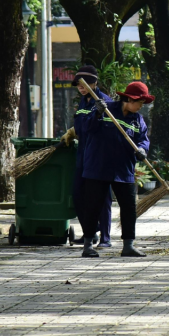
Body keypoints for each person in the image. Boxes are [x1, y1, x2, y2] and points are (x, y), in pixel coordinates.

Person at [79, 81, 153, 258]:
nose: (141, 106)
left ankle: (129, 245)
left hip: (123, 169)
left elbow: (143, 139)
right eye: (140, 102)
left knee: (129, 208)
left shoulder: (137, 119)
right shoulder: (105, 109)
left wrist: (142, 149)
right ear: (129, 99)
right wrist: (97, 113)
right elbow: (86, 128)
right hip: (98, 166)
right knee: (93, 206)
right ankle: (88, 245)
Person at [71, 66, 113, 247]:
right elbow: (81, 126)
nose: (81, 87)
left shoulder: (105, 102)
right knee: (78, 194)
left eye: (85, 83)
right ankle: (90, 231)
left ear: (95, 83)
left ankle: (105, 237)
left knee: (102, 197)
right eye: (79, 84)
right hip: (83, 154)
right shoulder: (83, 102)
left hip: (99, 155)